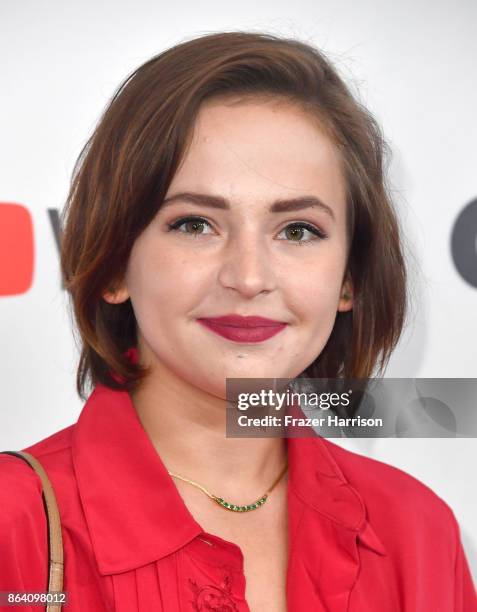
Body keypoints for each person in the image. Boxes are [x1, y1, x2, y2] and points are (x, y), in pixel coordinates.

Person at [1, 31, 476, 612]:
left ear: (349, 278)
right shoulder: (13, 531)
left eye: (298, 230)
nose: (249, 278)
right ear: (113, 264)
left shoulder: (417, 532)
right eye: (195, 224)